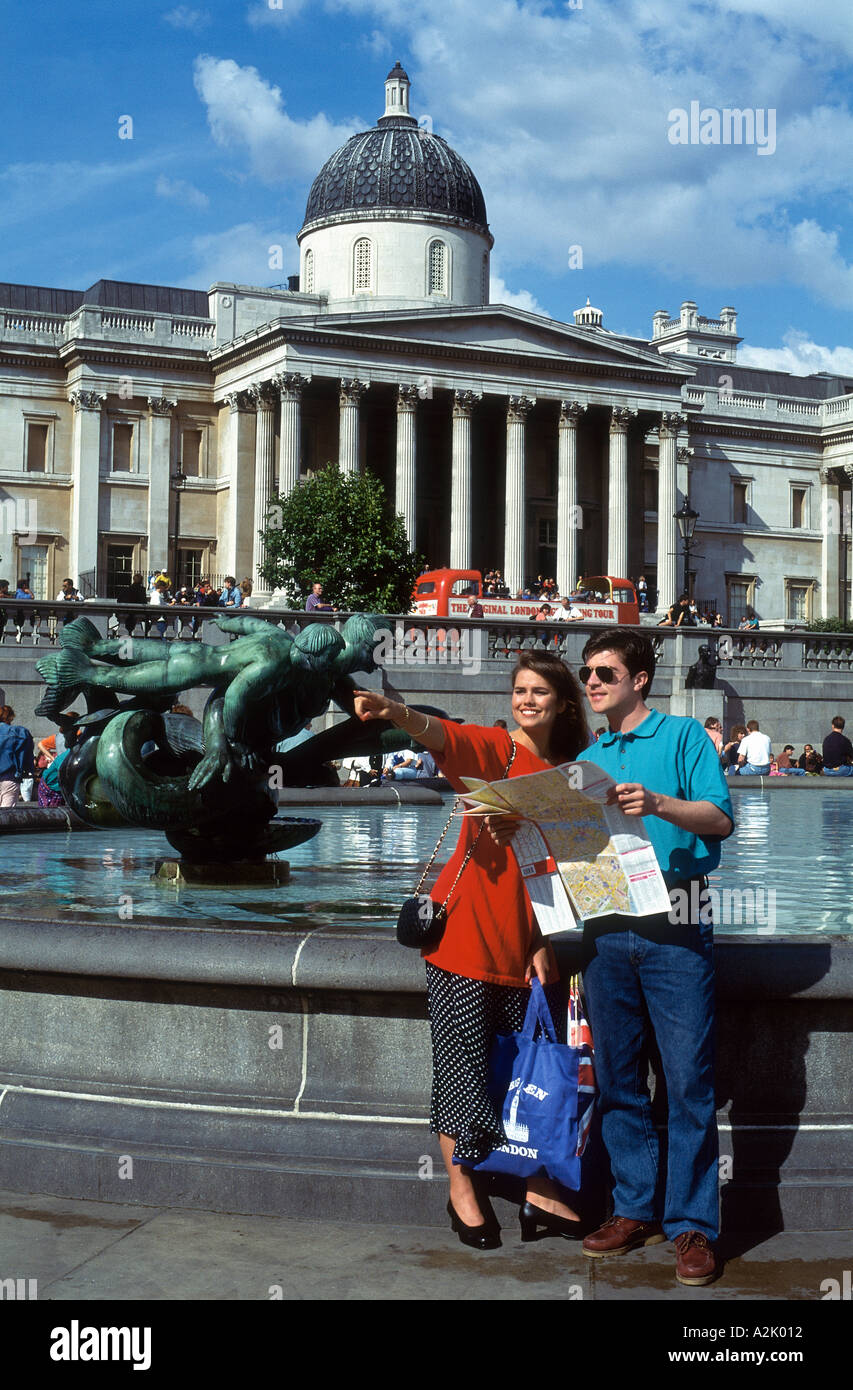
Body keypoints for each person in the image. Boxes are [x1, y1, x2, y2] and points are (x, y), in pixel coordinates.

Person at [353, 652, 591, 1250]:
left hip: (529, 945)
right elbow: (447, 737)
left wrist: (545, 938)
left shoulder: (574, 769)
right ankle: (463, 1190)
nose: (527, 700)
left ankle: (537, 1186)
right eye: (519, 690)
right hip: (465, 937)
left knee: (520, 1073)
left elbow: (584, 863)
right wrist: (395, 711)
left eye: (539, 691)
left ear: (563, 702)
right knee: (462, 1073)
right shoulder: (496, 749)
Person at [573, 628, 733, 1287]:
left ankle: (692, 1225)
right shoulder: (587, 757)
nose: (591, 683)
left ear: (639, 678)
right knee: (616, 1081)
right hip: (606, 927)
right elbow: (576, 851)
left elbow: (720, 820)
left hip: (676, 919)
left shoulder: (683, 737)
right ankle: (633, 1208)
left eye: (604, 672)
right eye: (586, 673)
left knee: (687, 1083)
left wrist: (659, 803)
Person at [0, 706, 35, 808]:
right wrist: (28, 770)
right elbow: (27, 754)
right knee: (7, 814)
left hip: (9, 776)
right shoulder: (19, 733)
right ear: (10, 717)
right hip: (9, 777)